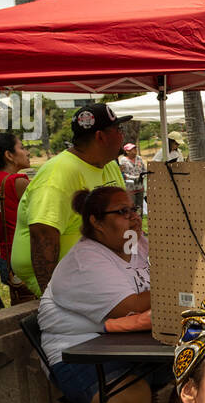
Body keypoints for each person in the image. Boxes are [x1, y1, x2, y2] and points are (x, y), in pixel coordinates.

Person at [37, 186, 169, 403]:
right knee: (127, 392)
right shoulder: (85, 261)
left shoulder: (134, 245)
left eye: (133, 208)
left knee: (199, 366)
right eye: (122, 212)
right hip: (76, 355)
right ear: (96, 222)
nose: (133, 217)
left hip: (129, 346)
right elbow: (132, 306)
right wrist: (179, 284)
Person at [10, 103, 128, 294]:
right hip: (64, 278)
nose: (123, 135)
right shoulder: (58, 174)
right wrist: (51, 299)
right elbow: (42, 236)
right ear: (101, 136)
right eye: (118, 129)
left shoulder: (109, 166)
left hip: (97, 269)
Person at [0, 132, 35, 306]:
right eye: (22, 148)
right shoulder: (17, 181)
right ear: (9, 155)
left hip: (7, 258)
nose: (27, 153)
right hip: (26, 260)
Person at [118, 141, 146, 211]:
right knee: (131, 206)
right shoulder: (123, 160)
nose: (135, 150)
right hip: (130, 188)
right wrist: (135, 177)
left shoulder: (139, 158)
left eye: (135, 148)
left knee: (140, 207)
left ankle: (140, 219)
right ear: (127, 151)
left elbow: (144, 169)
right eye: (132, 149)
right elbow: (123, 174)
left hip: (140, 186)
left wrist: (142, 176)